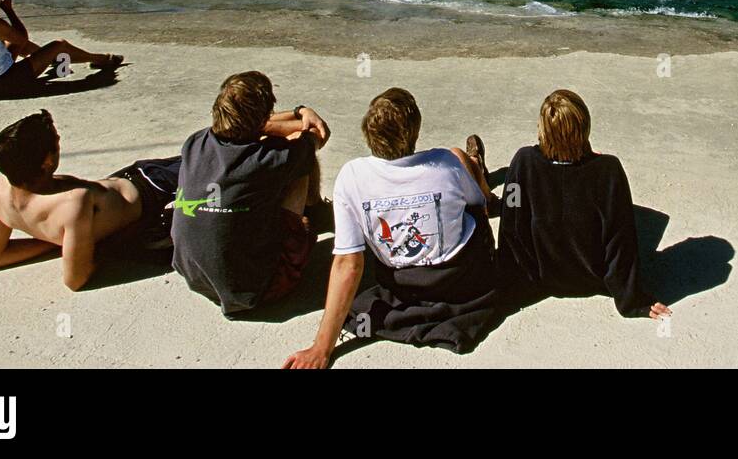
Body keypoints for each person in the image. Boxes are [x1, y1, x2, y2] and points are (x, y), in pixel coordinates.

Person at [283, 88, 500, 368]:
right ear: (415, 131)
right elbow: (475, 204)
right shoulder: (446, 163)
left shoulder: (352, 176)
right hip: (459, 279)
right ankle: (477, 166)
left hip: (403, 282)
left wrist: (322, 346)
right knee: (465, 176)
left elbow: (348, 263)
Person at [497, 89, 670, 319]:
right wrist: (633, 299)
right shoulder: (608, 171)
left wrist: (511, 284)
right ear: (585, 127)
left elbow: (511, 222)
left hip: (543, 277)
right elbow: (621, 239)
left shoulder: (522, 164)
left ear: (543, 130)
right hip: (592, 279)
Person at [172, 72, 329, 318]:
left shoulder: (194, 142)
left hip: (195, 276)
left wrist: (299, 111)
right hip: (257, 290)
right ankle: (315, 211)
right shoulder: (269, 160)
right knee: (301, 158)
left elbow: (258, 126)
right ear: (262, 118)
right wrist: (303, 118)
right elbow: (317, 135)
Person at [0, 109, 181, 291]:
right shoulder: (73, 203)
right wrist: (75, 245)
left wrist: (64, 243)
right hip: (153, 189)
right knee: (207, 157)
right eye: (57, 144)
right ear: (48, 161)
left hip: (130, 181)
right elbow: (75, 280)